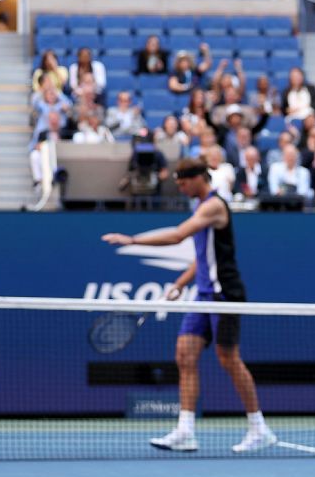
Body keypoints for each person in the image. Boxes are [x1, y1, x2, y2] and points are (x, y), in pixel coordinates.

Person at [101, 159, 275, 452]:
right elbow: (201, 257)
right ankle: (185, 430)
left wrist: (132, 240)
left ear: (198, 178)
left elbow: (178, 235)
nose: (180, 188)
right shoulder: (198, 207)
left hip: (224, 295)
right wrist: (181, 283)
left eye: (183, 182)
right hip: (203, 295)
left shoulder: (213, 206)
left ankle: (259, 429)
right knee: (185, 354)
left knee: (228, 359)